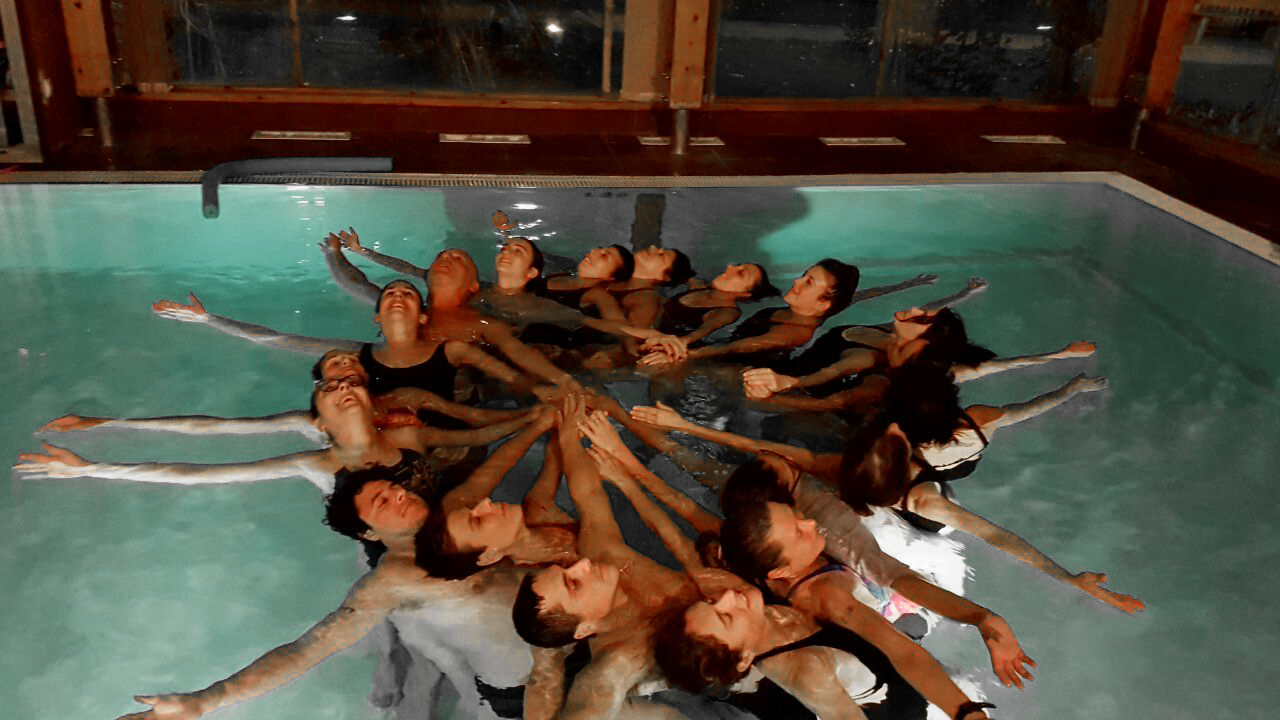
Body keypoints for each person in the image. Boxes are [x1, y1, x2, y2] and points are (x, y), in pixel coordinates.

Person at [112, 415, 572, 720]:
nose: (400, 495)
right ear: (369, 533)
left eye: (394, 490)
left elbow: (493, 468)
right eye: (382, 503)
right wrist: (207, 700)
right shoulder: (391, 581)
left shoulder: (456, 511)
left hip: (572, 630)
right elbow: (306, 649)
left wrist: (544, 426)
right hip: (523, 685)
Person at [630, 398, 1144, 613]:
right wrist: (1068, 578)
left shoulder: (834, 472)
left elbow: (766, 452)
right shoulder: (925, 501)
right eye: (896, 435)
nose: (897, 426)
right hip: (904, 531)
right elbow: (996, 536)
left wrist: (682, 425)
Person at [16, 362, 535, 496]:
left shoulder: (404, 429)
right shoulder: (313, 455)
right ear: (318, 419)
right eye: (331, 383)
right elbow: (201, 465)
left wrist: (536, 419)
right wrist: (93, 464)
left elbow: (476, 437)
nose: (343, 381)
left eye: (350, 377)